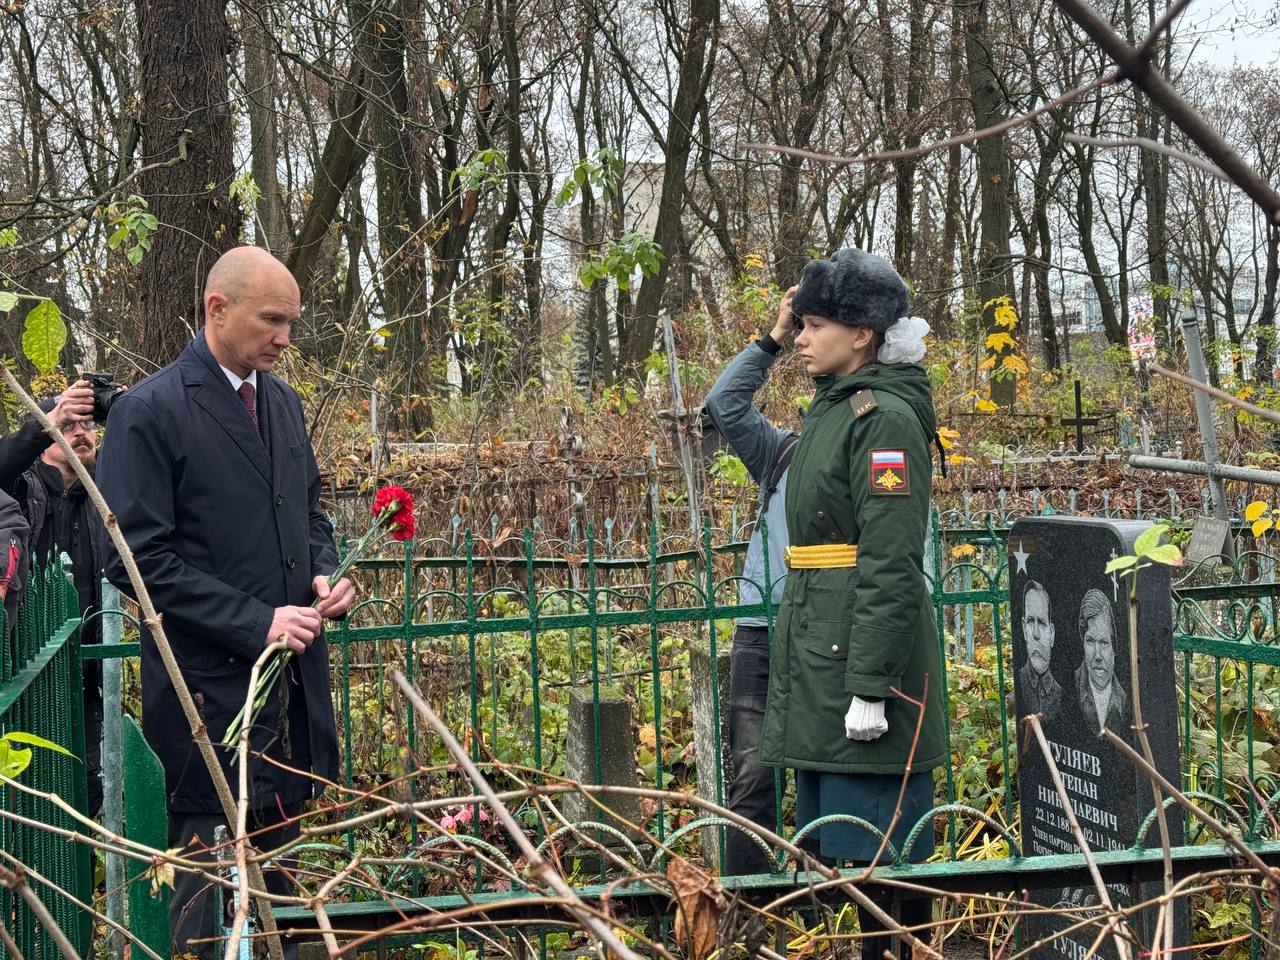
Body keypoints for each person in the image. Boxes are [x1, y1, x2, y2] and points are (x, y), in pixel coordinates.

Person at [95, 246, 356, 959]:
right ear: (218, 309)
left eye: (291, 323)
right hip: (208, 697)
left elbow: (309, 513)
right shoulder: (150, 413)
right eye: (273, 320)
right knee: (207, 911)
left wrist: (326, 576)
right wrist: (255, 622)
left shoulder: (283, 402)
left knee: (277, 893)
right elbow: (134, 559)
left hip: (290, 692)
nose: (285, 338)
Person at [759, 248, 945, 959]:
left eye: (812, 324)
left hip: (858, 662)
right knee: (852, 863)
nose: (799, 338)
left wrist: (871, 683)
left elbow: (891, 560)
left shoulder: (883, 417)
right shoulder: (837, 406)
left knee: (886, 868)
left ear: (861, 334)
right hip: (823, 644)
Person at [701, 295, 799, 875]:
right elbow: (724, 404)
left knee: (822, 778)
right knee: (754, 778)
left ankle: (816, 911)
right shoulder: (781, 454)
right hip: (760, 631)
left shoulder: (865, 453)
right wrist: (773, 339)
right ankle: (746, 913)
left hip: (823, 634)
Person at [0, 379, 106, 814]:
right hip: (26, 661)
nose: (81, 431)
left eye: (89, 424)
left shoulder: (106, 496)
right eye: (70, 425)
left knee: (88, 788)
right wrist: (46, 421)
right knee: (30, 791)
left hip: (89, 667)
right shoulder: (19, 487)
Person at [1075, 588, 1127, 735]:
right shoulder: (1071, 686)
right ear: (1083, 643)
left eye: (1104, 642)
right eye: (1090, 641)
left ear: (1114, 648)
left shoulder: (1123, 700)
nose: (1097, 655)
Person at [1018, 580, 1062, 722]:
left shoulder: (1058, 691)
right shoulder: (1020, 681)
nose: (1035, 634)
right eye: (1031, 622)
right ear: (1024, 629)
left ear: (1052, 634)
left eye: (1042, 623)